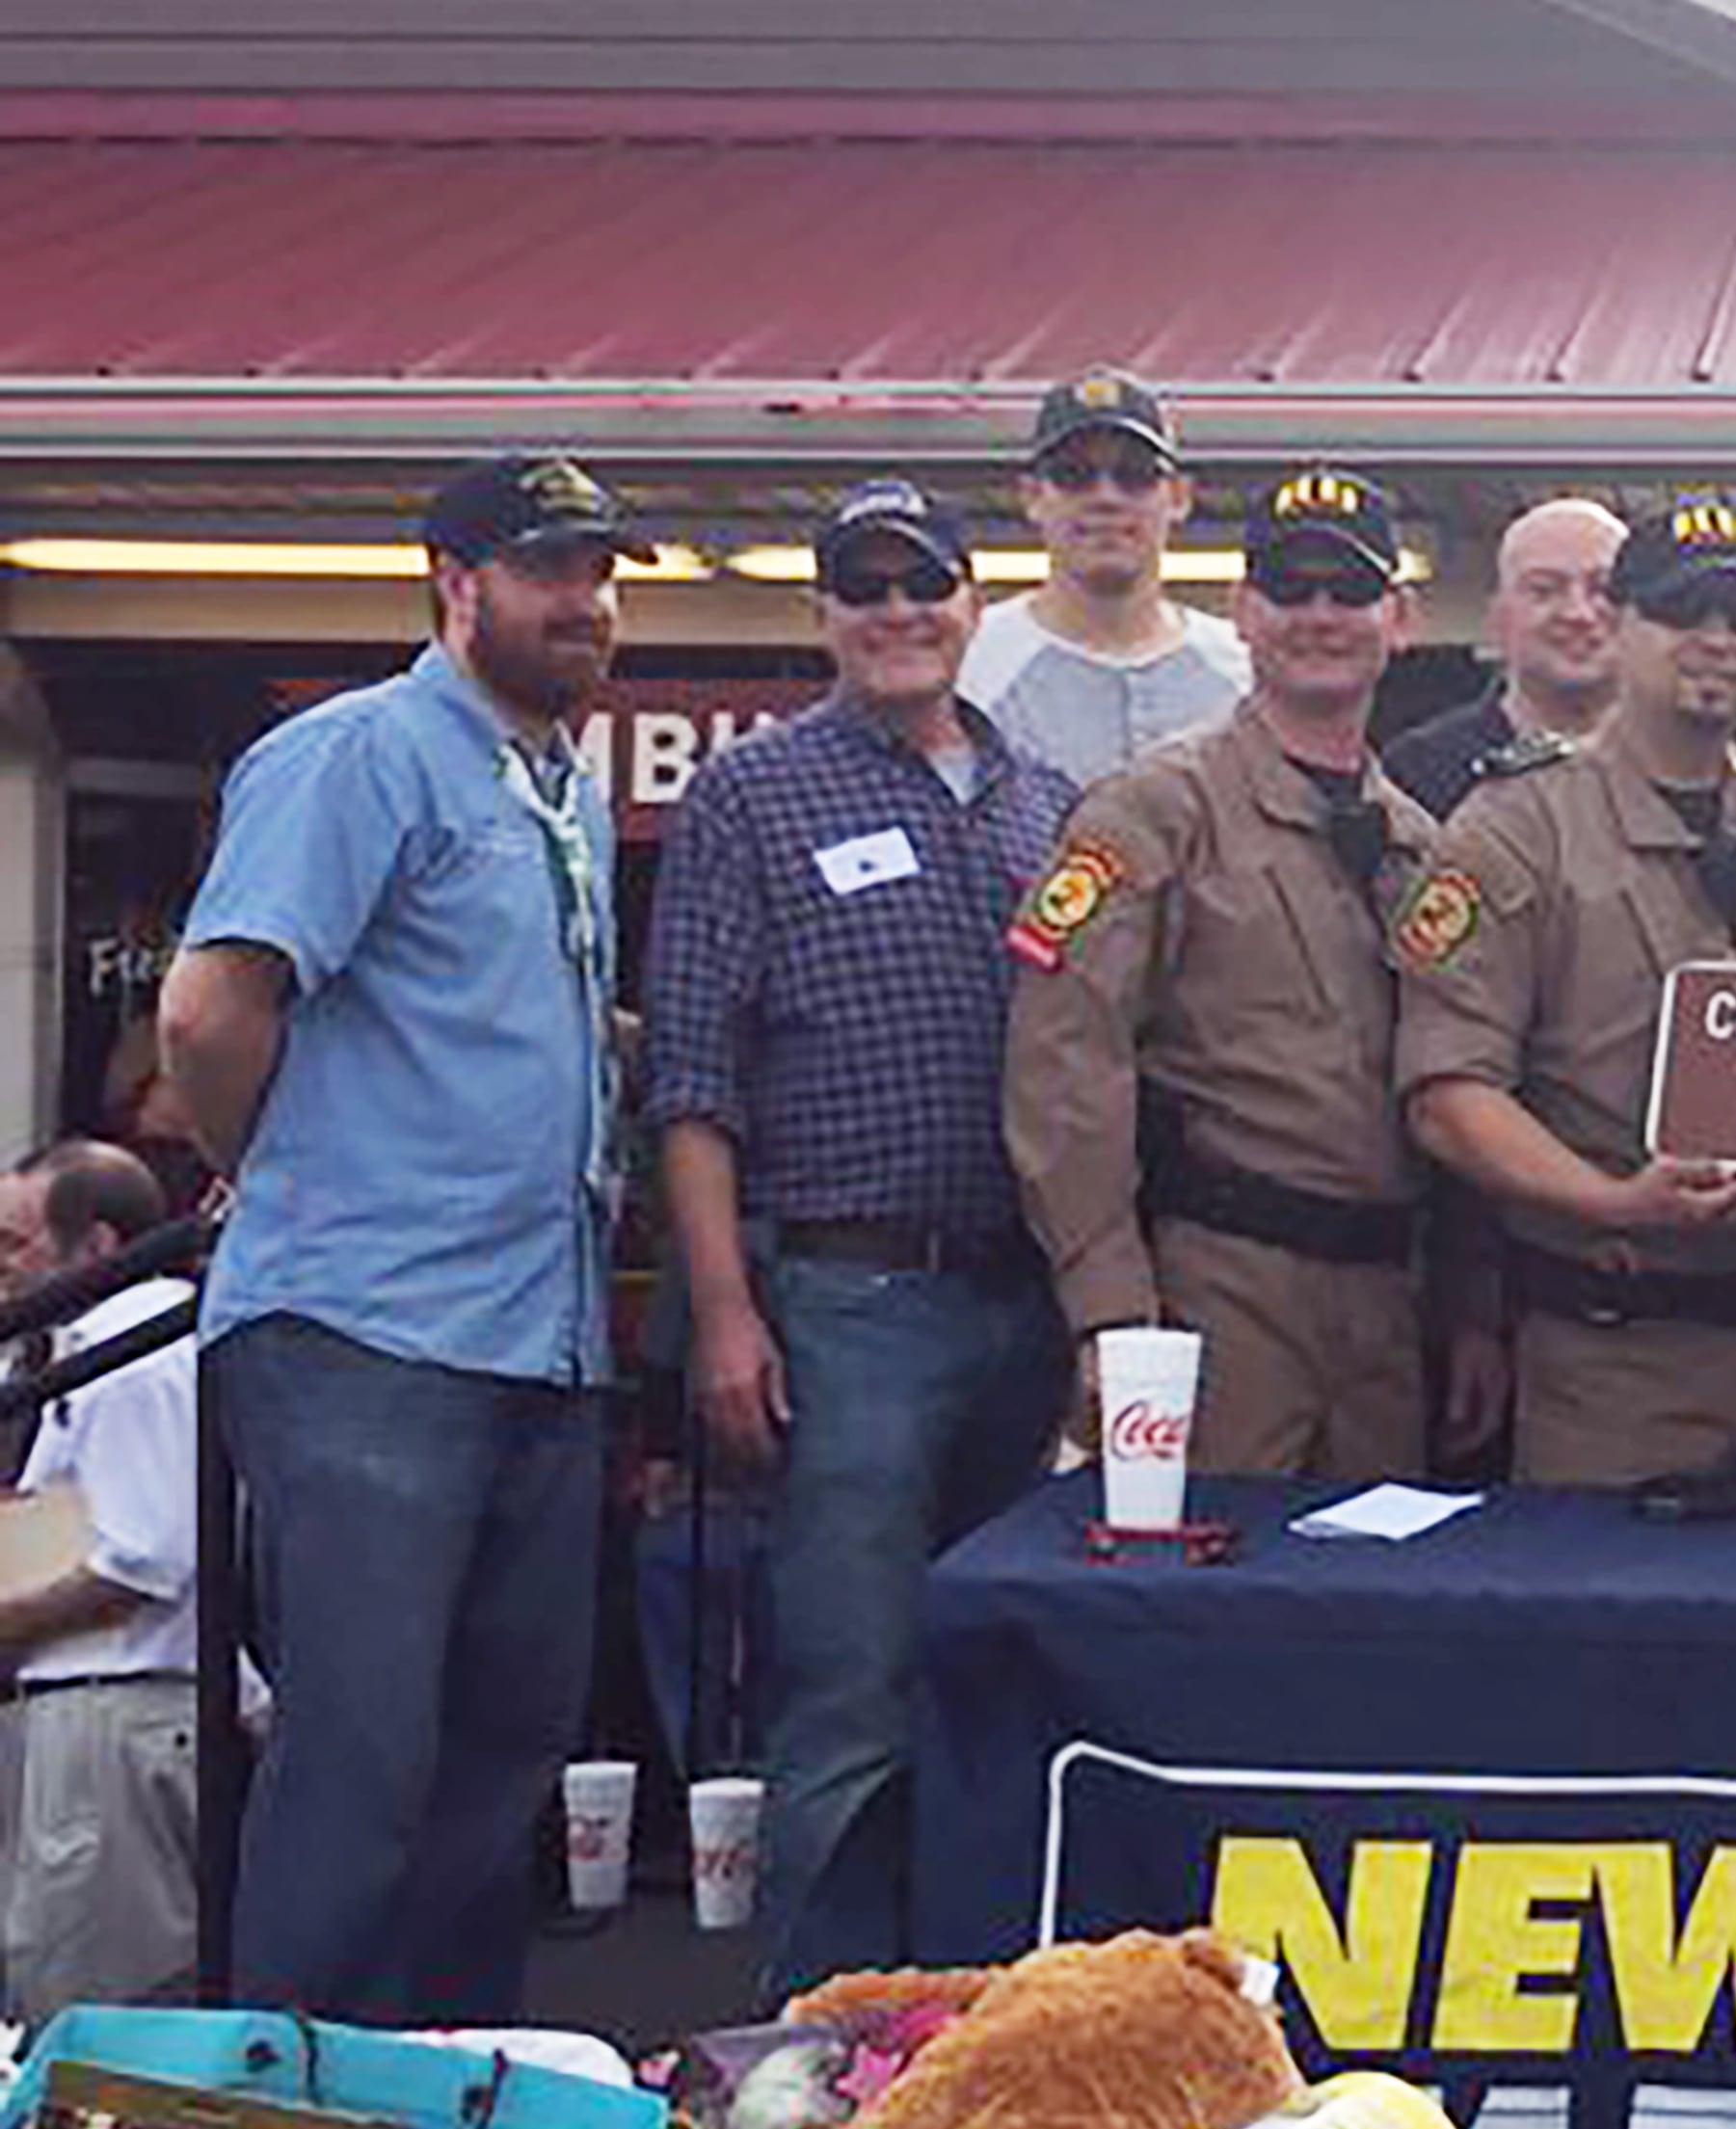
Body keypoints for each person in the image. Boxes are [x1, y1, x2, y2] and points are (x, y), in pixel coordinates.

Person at [160, 450, 633, 2023]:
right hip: (368, 1337)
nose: (586, 602)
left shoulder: (559, 780)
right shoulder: (356, 752)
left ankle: (436, 2115)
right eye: (549, 569)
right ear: (457, 583)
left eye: (600, 572)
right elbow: (212, 1006)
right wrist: (272, 1172)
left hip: (539, 1338)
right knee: (362, 1757)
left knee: (498, 1766)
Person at [647, 478, 1077, 1989]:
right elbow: (689, 1080)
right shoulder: (750, 796)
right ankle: (813, 2050)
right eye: (864, 585)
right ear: (823, 613)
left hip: (1027, 1310)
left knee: (998, 1677)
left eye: (926, 582)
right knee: (848, 1699)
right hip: (848, 1302)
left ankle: (964, 2013)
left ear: (976, 600)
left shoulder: (1048, 802)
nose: (898, 609)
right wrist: (723, 1311)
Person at [1396, 498, 1736, 1489]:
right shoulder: (1513, 831)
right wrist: (1616, 1202)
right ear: (1621, 623)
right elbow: (1449, 1100)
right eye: (1685, 611)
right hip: (1614, 1372)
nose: (1718, 640)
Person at [1007, 466, 1478, 1478]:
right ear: (1241, 609)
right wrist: (1110, 1314)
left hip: (1388, 1309)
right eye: (1289, 586)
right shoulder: (1150, 813)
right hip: (1217, 1297)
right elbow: (1064, 1072)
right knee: (1203, 1603)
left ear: (1397, 618)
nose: (1319, 614)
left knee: (1371, 1609)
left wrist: (1472, 1309)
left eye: (1348, 590)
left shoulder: (1421, 846)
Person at [0, 1143, 204, 2021]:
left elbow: (144, 1554)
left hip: (114, 1706)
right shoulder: (66, 1351)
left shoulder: (128, 1348)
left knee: (91, 2001)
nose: (2, 1266)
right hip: (91, 1704)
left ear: (98, 1246)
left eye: (13, 1243)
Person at [962, 368, 1252, 787]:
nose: (1106, 496)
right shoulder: (970, 667)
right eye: (1073, 475)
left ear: (1178, 497)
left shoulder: (1245, 672)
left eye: (1135, 475)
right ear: (1032, 497)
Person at [1381, 499, 1629, 821]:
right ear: (1497, 617)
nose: (1577, 613)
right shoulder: (1418, 772)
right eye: (1544, 590)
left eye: (1602, 589)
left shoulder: (1688, 763)